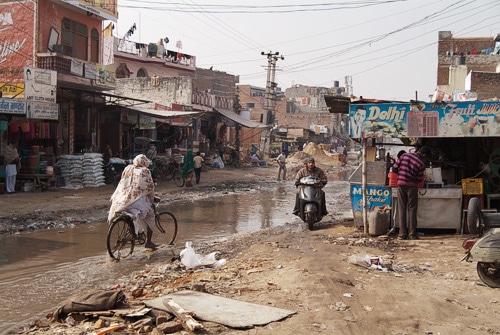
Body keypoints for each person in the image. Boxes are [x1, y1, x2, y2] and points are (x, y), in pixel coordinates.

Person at [108, 154, 157, 249]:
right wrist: (152, 200)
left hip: (122, 200)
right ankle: (149, 242)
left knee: (133, 213)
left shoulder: (128, 168)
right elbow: (150, 189)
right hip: (136, 201)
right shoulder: (145, 171)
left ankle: (135, 231)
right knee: (150, 216)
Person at [391, 146, 431, 240]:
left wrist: (401, 175)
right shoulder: (421, 163)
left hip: (401, 185)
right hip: (412, 187)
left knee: (402, 209)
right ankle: (412, 234)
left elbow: (394, 168)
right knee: (412, 210)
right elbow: (419, 179)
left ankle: (402, 234)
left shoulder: (404, 156)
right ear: (424, 155)